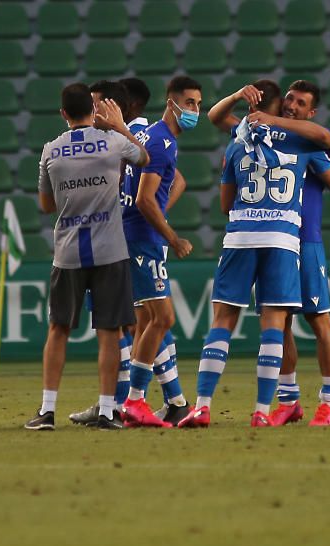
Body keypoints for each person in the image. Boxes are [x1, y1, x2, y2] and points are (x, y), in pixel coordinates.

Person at [179, 80, 330, 429]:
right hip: (284, 237)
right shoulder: (302, 143)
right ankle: (265, 411)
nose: (292, 107)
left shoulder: (238, 142)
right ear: (279, 104)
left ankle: (202, 406)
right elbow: (329, 149)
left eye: (299, 103)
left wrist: (245, 102)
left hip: (246, 236)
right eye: (289, 101)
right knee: (276, 326)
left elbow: (224, 204)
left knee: (225, 321)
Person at [23, 84, 149, 431]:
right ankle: (108, 411)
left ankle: (47, 410)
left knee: (58, 328)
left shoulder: (51, 150)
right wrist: (121, 126)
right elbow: (144, 158)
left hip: (68, 252)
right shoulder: (113, 142)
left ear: (63, 114)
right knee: (109, 332)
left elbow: (46, 205)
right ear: (93, 111)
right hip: (111, 249)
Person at [69, 77, 191, 426]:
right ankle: (162, 400)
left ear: (125, 105)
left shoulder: (137, 131)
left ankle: (122, 402)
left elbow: (168, 179)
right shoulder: (127, 132)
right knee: (140, 323)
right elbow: (175, 180)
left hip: (131, 238)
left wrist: (151, 216)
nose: (94, 111)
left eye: (98, 104)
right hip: (125, 236)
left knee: (136, 323)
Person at [118, 75, 200, 429]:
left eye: (198, 103)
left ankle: (142, 401)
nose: (195, 110)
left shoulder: (156, 137)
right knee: (162, 319)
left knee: (145, 323)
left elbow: (161, 191)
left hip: (137, 237)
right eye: (190, 103)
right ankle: (135, 401)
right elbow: (144, 199)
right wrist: (172, 237)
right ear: (172, 103)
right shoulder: (163, 142)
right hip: (143, 241)